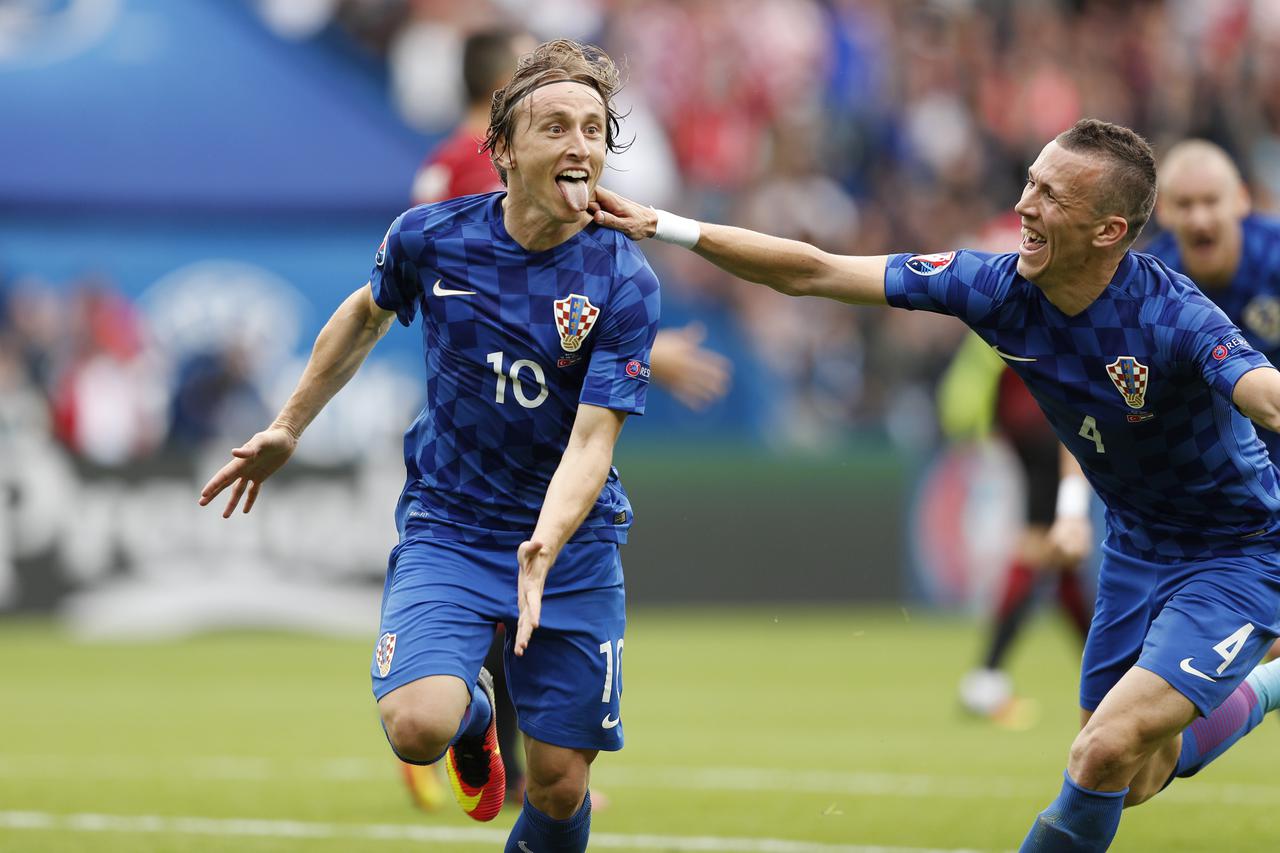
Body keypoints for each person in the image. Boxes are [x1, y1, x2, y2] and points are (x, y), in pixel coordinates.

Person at [591, 118, 1280, 851]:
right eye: (1030, 181)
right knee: (1133, 775)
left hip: (1236, 554)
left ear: (1108, 229)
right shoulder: (994, 287)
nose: (1024, 205)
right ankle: (1267, 688)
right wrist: (667, 224)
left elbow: (1263, 392)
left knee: (1101, 750)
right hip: (1138, 550)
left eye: (1049, 194)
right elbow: (815, 269)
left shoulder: (1171, 314)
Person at [202, 39, 657, 853]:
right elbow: (364, 314)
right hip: (450, 525)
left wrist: (546, 540)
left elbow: (593, 442)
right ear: (505, 148)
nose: (581, 144)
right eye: (557, 126)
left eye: (594, 128)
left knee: (557, 784)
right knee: (418, 726)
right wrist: (288, 425)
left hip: (571, 545)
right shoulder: (431, 238)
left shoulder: (622, 277)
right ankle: (475, 715)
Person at [401, 26, 731, 817]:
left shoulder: (578, 213)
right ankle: (460, 726)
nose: (575, 132)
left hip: (536, 422)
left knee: (524, 593)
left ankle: (508, 753)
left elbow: (577, 299)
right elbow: (451, 272)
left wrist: (642, 351)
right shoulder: (469, 176)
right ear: (501, 99)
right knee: (482, 585)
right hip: (480, 418)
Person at [940, 334, 1094, 726]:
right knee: (1041, 546)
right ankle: (986, 677)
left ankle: (1106, 676)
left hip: (1021, 423)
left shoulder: (985, 305)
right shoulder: (1029, 302)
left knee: (1062, 562)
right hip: (1039, 422)